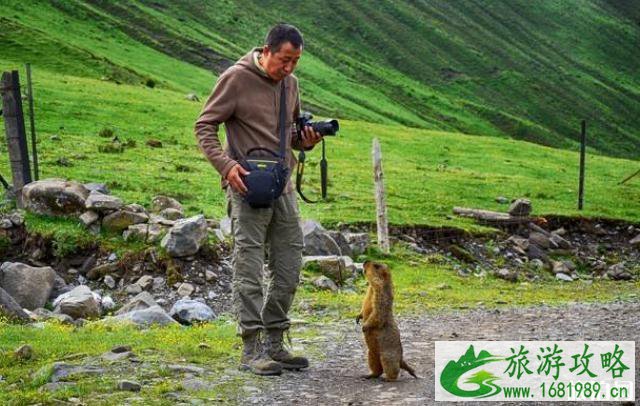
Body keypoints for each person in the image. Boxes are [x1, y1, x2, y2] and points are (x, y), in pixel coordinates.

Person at [194, 23, 322, 376]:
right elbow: (204, 125)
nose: (289, 68)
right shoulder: (235, 79)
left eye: (296, 61)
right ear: (266, 51)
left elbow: (289, 136)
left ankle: (276, 344)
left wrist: (306, 141)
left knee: (289, 265)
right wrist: (225, 165)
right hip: (246, 187)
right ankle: (251, 348)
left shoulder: (291, 85)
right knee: (248, 267)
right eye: (284, 59)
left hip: (283, 188)